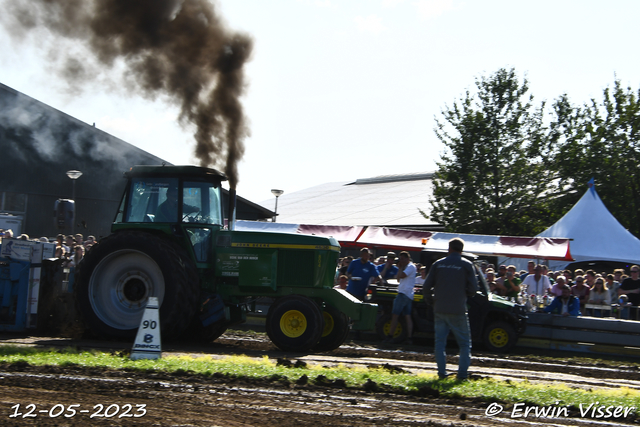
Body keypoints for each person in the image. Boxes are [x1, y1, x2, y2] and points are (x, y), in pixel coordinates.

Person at [423, 238, 478, 381]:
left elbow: (426, 286)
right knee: (465, 344)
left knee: (440, 343)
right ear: (462, 249)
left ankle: (442, 373)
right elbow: (473, 289)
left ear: (449, 248)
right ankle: (462, 375)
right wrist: (464, 294)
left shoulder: (438, 264)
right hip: (458, 309)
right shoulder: (467, 265)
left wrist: (431, 301)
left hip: (440, 308)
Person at [383, 251, 417, 345]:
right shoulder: (407, 267)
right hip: (407, 294)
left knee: (395, 315)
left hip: (403, 294)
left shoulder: (410, 267)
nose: (401, 261)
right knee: (407, 316)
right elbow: (398, 279)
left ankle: (390, 336)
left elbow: (402, 276)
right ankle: (409, 338)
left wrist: (400, 267)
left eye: (402, 259)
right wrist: (400, 268)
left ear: (407, 259)